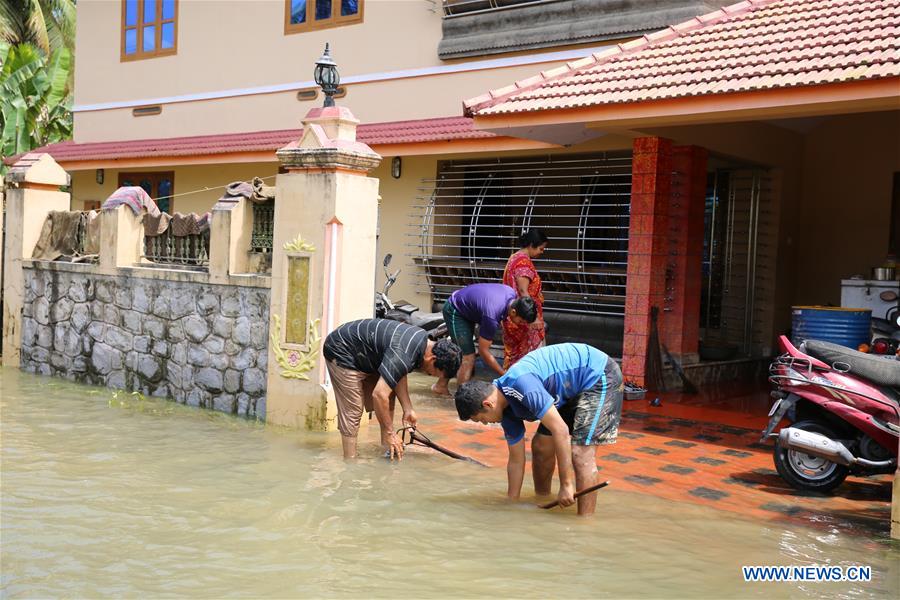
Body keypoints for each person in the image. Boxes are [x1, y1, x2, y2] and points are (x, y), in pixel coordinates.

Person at [454, 343, 623, 516]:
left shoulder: (521, 385)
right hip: (567, 389)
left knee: (581, 454)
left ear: (487, 404)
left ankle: (585, 525)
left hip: (598, 375)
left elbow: (561, 431)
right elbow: (516, 460)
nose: (484, 424)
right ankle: (543, 499)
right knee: (541, 446)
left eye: (481, 419)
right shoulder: (504, 410)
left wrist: (566, 484)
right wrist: (511, 505)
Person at [323, 319, 462, 460]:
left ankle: (386, 449)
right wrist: (390, 432)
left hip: (365, 353)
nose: (430, 375)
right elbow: (378, 395)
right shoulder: (404, 352)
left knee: (389, 395)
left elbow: (398, 372)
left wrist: (408, 408)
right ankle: (349, 460)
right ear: (432, 359)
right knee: (353, 410)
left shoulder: (420, 342)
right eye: (433, 373)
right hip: (341, 348)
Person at [433, 283, 537, 394]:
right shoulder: (491, 317)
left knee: (461, 353)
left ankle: (441, 386)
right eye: (521, 321)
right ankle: (461, 399)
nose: (520, 324)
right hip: (455, 309)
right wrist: (504, 374)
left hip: (468, 307)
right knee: (468, 357)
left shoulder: (511, 293)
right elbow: (484, 352)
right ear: (513, 312)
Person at [502, 229, 548, 368]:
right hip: (524, 319)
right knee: (530, 359)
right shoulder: (523, 262)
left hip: (518, 315)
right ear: (532, 245)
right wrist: (533, 317)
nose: (542, 252)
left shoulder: (514, 257)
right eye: (541, 248)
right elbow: (523, 291)